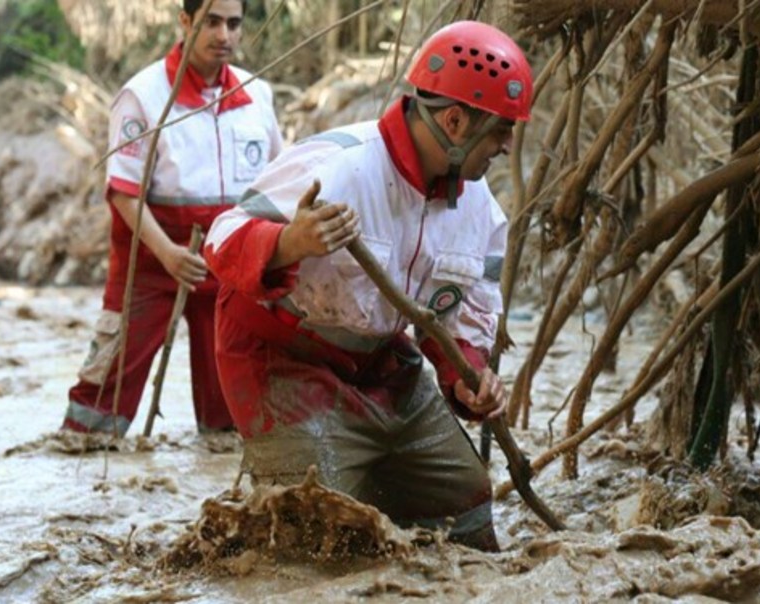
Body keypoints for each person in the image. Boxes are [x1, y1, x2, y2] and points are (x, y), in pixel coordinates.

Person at [203, 21, 532, 551]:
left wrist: (467, 377)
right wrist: (290, 242)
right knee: (318, 525)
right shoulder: (337, 164)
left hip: (379, 361)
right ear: (454, 121)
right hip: (280, 358)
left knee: (465, 500)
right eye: (499, 130)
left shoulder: (481, 214)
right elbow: (222, 239)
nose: (507, 144)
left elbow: (459, 322)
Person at [62, 0, 282, 435]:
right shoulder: (143, 96)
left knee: (230, 403)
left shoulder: (258, 95)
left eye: (234, 24)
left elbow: (277, 180)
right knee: (107, 387)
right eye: (211, 22)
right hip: (151, 258)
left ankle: (212, 467)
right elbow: (124, 193)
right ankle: (82, 461)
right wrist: (167, 254)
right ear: (185, 22)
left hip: (227, 261)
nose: (224, 36)